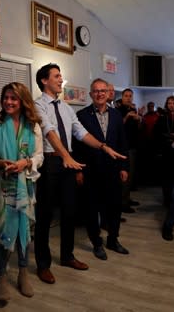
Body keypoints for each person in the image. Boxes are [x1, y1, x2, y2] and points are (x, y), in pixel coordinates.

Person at [33, 63, 125, 284]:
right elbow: (49, 131)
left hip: (68, 162)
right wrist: (64, 155)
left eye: (60, 76)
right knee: (45, 216)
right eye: (57, 76)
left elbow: (81, 133)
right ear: (44, 80)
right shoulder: (37, 105)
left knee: (69, 213)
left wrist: (103, 147)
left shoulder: (65, 107)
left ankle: (67, 256)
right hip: (51, 163)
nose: (60, 79)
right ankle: (43, 265)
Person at [0, 82, 43, 303]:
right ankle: (1, 277)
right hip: (2, 188)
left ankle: (22, 272)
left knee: (24, 232)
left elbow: (40, 156)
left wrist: (26, 162)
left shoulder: (34, 126)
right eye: (6, 97)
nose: (8, 102)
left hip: (25, 188)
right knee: (2, 234)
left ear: (23, 101)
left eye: (14, 98)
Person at [74, 78, 130, 260]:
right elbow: (77, 146)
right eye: (96, 91)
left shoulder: (116, 116)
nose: (99, 94)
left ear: (108, 94)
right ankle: (97, 243)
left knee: (115, 207)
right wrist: (79, 170)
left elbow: (122, 143)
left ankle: (113, 240)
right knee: (92, 209)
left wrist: (124, 167)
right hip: (91, 171)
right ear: (91, 94)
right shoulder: (81, 116)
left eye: (103, 91)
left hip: (113, 170)